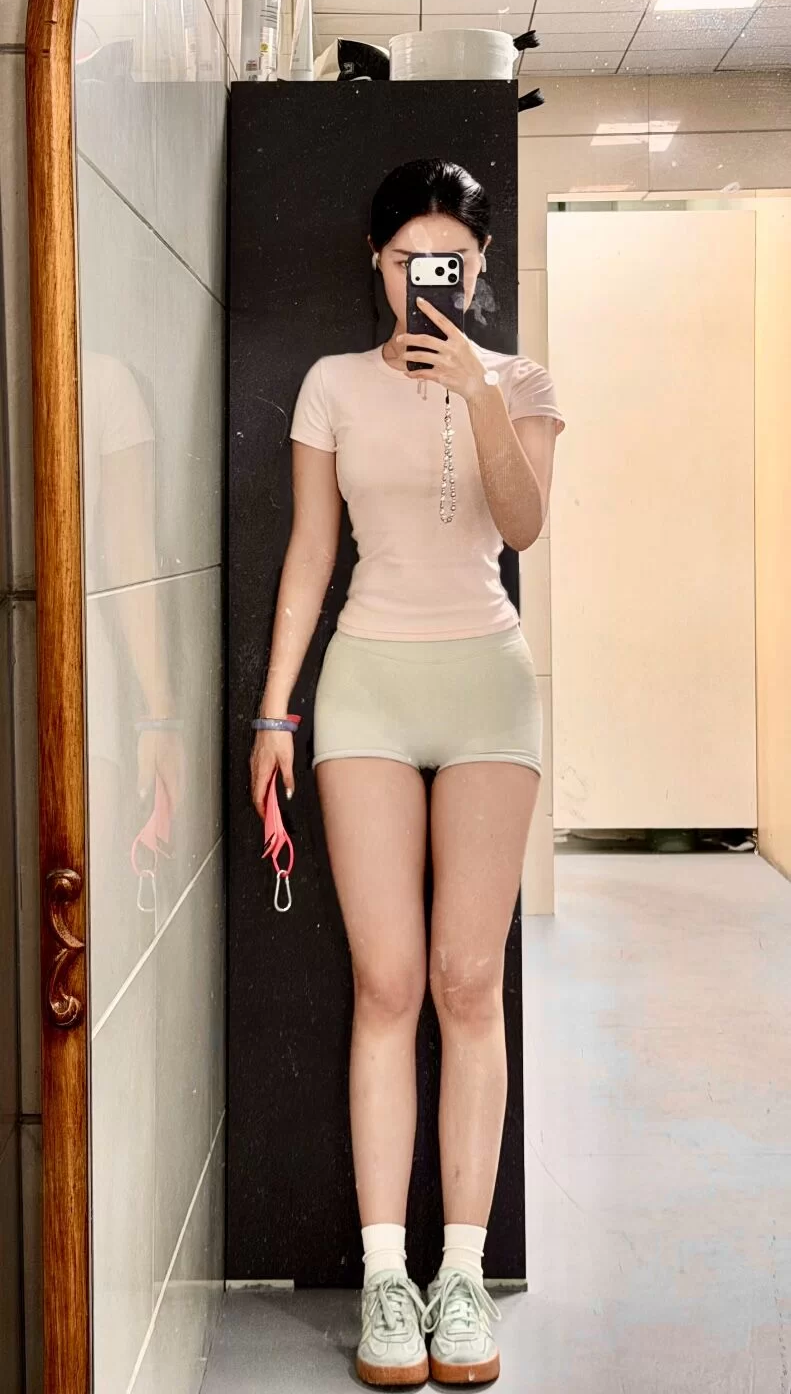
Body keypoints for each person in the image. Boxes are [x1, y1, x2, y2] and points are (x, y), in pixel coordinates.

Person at [249, 158, 565, 1388]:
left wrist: (476, 390)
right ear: (376, 264)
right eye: (406, 260)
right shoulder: (331, 384)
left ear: (477, 267)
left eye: (451, 260)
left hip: (487, 681)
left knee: (467, 980)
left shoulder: (521, 381)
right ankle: (388, 1277)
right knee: (385, 982)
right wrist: (273, 711)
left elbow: (522, 526)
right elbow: (309, 554)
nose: (427, 278)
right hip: (366, 683)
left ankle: (461, 1273)